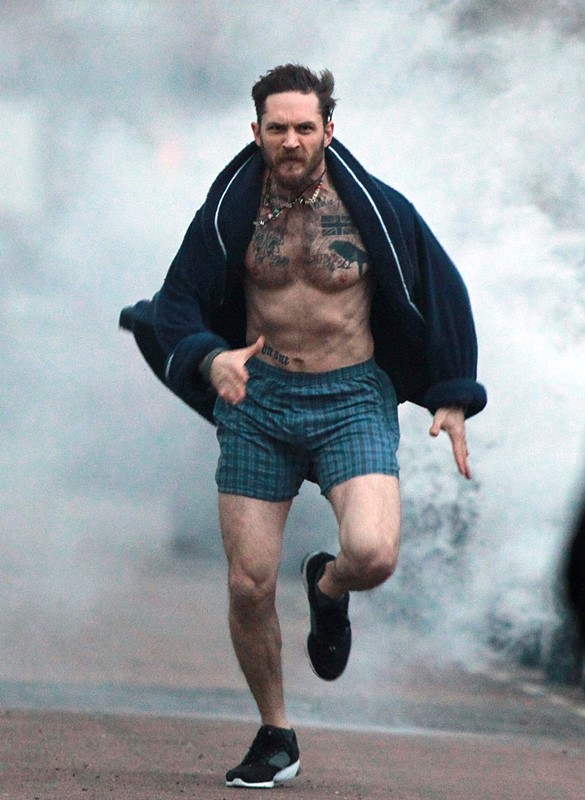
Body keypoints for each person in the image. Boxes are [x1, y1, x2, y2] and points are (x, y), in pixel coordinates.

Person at [120, 64, 487, 789]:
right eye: (277, 128)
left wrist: (451, 392)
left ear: (328, 130)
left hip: (352, 398)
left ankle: (328, 585)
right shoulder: (230, 210)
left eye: (304, 127)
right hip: (259, 404)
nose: (291, 140)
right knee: (248, 583)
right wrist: (209, 357)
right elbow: (177, 301)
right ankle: (275, 731)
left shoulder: (374, 207)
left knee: (372, 555)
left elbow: (440, 286)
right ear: (256, 131)